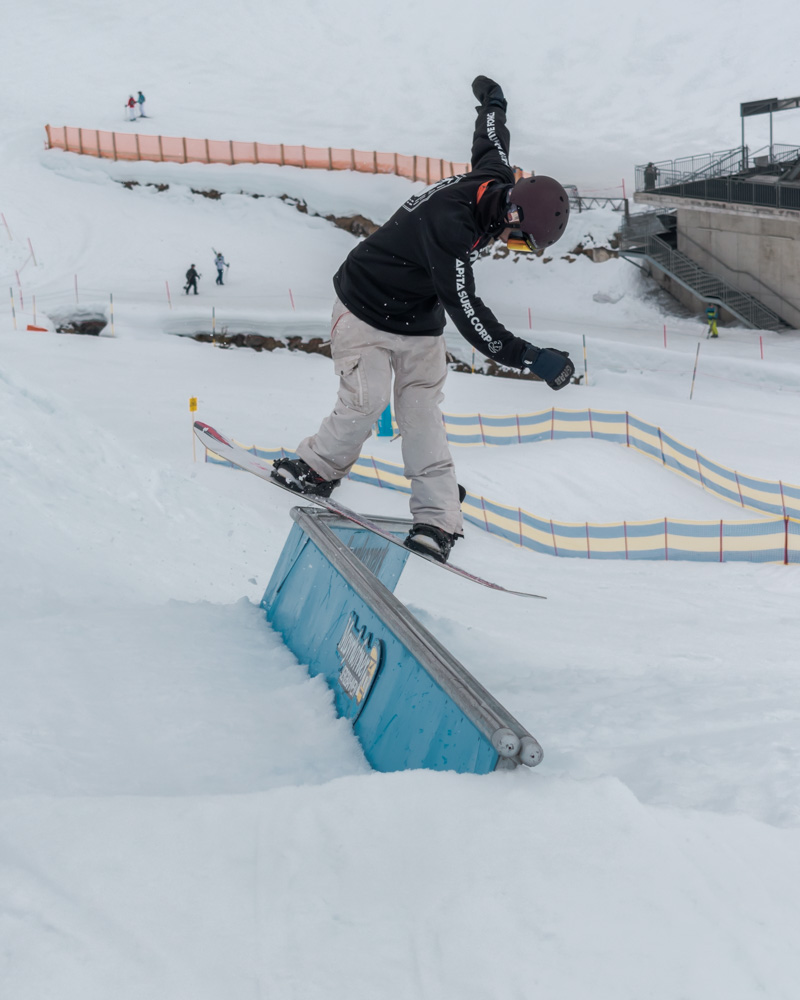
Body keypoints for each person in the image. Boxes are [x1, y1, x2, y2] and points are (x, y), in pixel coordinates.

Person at [272, 75, 574, 564]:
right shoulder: (450, 226)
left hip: (417, 324)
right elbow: (469, 314)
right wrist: (530, 357)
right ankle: (317, 469)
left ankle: (437, 520)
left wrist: (493, 103)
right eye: (520, 241)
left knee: (421, 418)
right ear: (513, 216)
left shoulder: (496, 180)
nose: (511, 248)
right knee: (366, 399)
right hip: (364, 306)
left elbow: (492, 138)